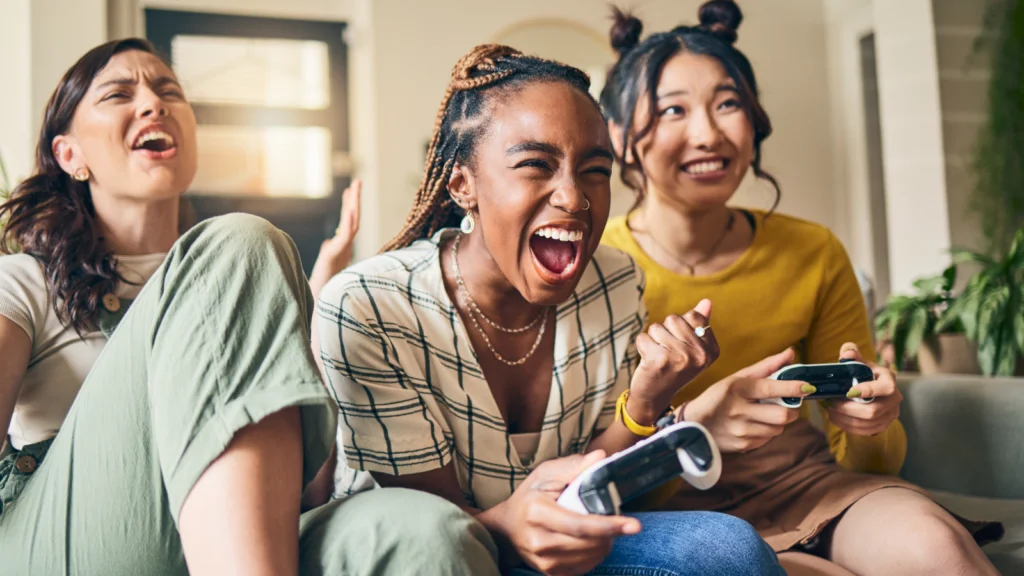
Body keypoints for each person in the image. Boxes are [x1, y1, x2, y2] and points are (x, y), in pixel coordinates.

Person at [0, 38, 497, 575]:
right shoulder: (24, 283)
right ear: (68, 154)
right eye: (119, 94)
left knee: (429, 535)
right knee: (238, 246)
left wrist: (315, 325)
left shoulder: (242, 281)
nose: (154, 103)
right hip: (58, 550)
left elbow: (308, 493)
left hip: (221, 553)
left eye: (169, 90)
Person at [318, 43, 786, 576]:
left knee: (728, 551)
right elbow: (436, 524)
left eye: (593, 170)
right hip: (421, 549)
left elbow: (589, 482)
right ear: (462, 185)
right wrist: (513, 524)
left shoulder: (614, 281)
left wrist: (649, 397)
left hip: (554, 535)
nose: (574, 198)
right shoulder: (372, 306)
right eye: (536, 165)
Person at [598, 3, 1003, 575]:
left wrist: (871, 420)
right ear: (618, 135)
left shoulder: (812, 252)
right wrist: (686, 429)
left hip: (810, 486)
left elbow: (867, 461)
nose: (708, 133)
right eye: (672, 110)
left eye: (728, 104)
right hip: (673, 517)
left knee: (938, 546)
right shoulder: (596, 266)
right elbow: (591, 463)